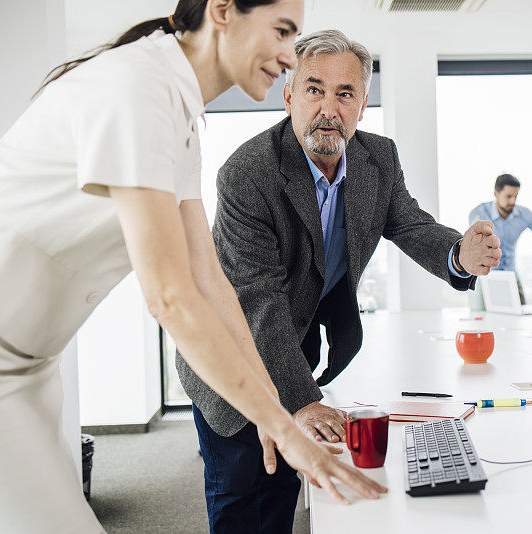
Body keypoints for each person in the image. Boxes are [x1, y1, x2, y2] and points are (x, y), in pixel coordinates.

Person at [0, 3, 387, 533]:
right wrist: (281, 424)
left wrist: (270, 412)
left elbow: (210, 284)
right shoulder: (138, 88)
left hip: (30, 364)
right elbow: (169, 295)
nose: (289, 55)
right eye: (282, 32)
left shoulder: (180, 114)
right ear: (221, 12)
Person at [176, 29, 502, 533]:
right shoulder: (247, 173)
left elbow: (410, 224)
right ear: (288, 96)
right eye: (314, 89)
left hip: (293, 347)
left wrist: (458, 253)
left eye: (345, 93)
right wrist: (302, 402)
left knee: (286, 490)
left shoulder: (379, 160)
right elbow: (259, 303)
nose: (329, 107)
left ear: (362, 106)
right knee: (241, 496)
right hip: (230, 358)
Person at [468, 173, 532, 272]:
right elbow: (472, 247)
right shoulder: (479, 214)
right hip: (486, 275)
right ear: (496, 194)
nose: (513, 201)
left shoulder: (525, 215)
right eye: (509, 196)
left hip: (511, 273)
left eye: (516, 196)